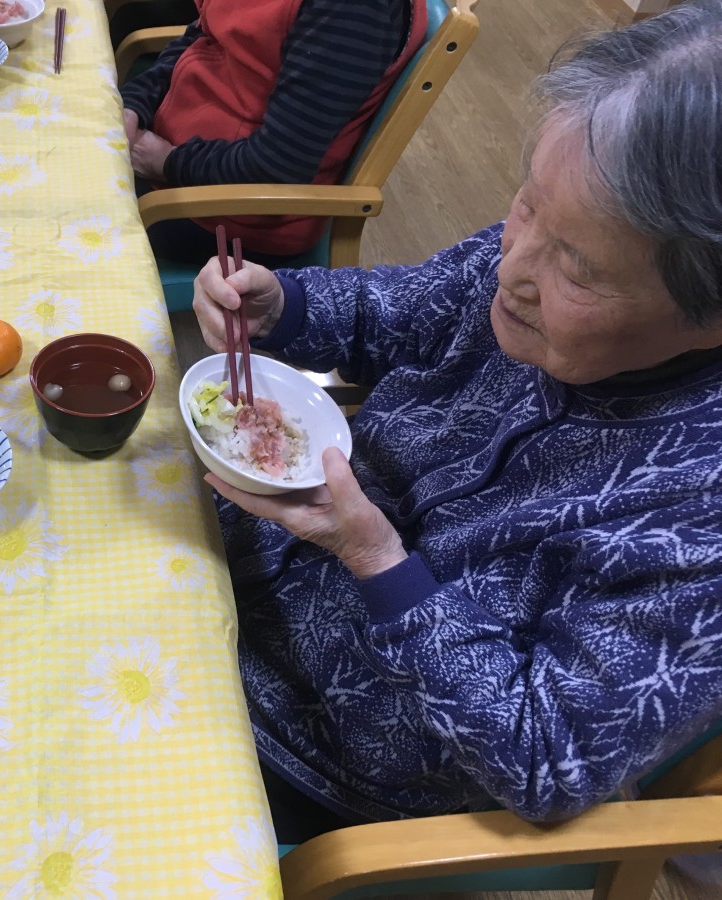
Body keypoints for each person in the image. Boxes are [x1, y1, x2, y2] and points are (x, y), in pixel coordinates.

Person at [191, 0, 722, 843]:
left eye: (578, 270)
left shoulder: (700, 517)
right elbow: (399, 309)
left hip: (312, 748)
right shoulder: (549, 237)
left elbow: (542, 759)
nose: (512, 267)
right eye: (527, 204)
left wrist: (377, 560)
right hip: (227, 563)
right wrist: (283, 304)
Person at [120, 0, 425, 264]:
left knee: (88, 202)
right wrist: (138, 101)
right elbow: (205, 32)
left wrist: (165, 161)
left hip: (231, 210)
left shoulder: (352, 12)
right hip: (183, 154)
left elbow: (276, 165)